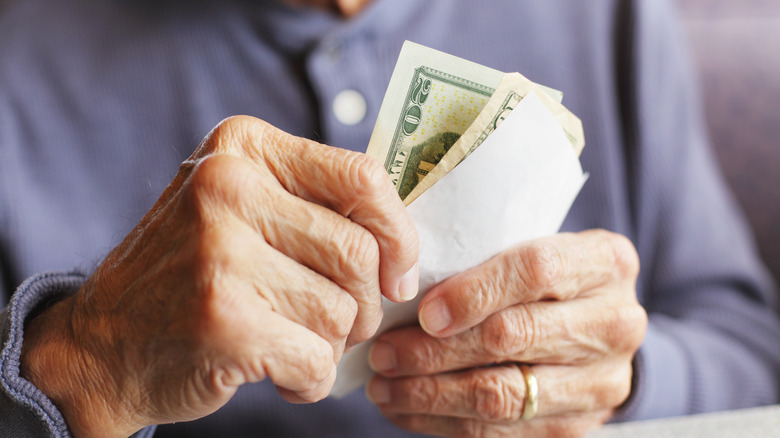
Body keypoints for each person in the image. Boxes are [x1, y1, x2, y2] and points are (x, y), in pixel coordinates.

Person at [1, 0, 778, 437]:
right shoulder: (18, 52)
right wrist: (88, 364)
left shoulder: (609, 20)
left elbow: (751, 352)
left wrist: (624, 379)